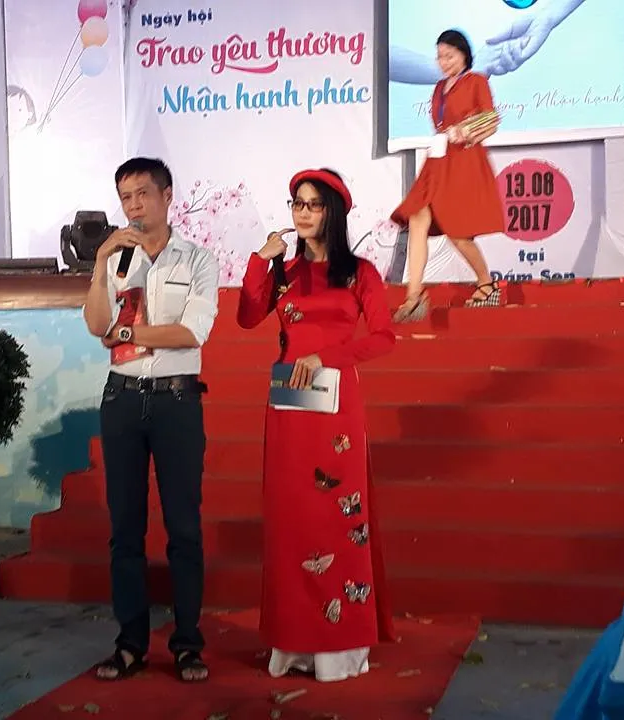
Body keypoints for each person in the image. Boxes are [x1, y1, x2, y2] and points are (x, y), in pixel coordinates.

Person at [237, 168, 396, 682]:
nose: (302, 213)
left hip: (336, 407)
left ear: (334, 211)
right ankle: (294, 640)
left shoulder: (360, 273)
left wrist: (327, 358)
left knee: (334, 518)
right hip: (289, 405)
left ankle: (338, 642)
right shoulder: (283, 273)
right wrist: (261, 259)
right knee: (292, 521)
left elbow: (384, 337)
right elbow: (247, 316)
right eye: (297, 203)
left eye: (313, 204)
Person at [82, 157, 220, 683]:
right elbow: (96, 323)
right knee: (125, 529)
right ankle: (130, 643)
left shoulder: (198, 259)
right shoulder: (119, 261)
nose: (135, 206)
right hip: (121, 399)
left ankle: (187, 644)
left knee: (183, 526)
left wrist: (126, 335)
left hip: (176, 401)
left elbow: (192, 332)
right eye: (126, 197)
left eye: (143, 194)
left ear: (167, 196)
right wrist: (101, 262)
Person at [391, 30, 505, 322]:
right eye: (440, 56)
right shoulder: (439, 87)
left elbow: (491, 118)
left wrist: (464, 130)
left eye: (449, 56)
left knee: (457, 231)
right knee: (418, 216)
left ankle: (486, 283)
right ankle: (413, 295)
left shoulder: (476, 81)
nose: (443, 62)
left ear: (464, 54)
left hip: (464, 161)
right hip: (438, 161)